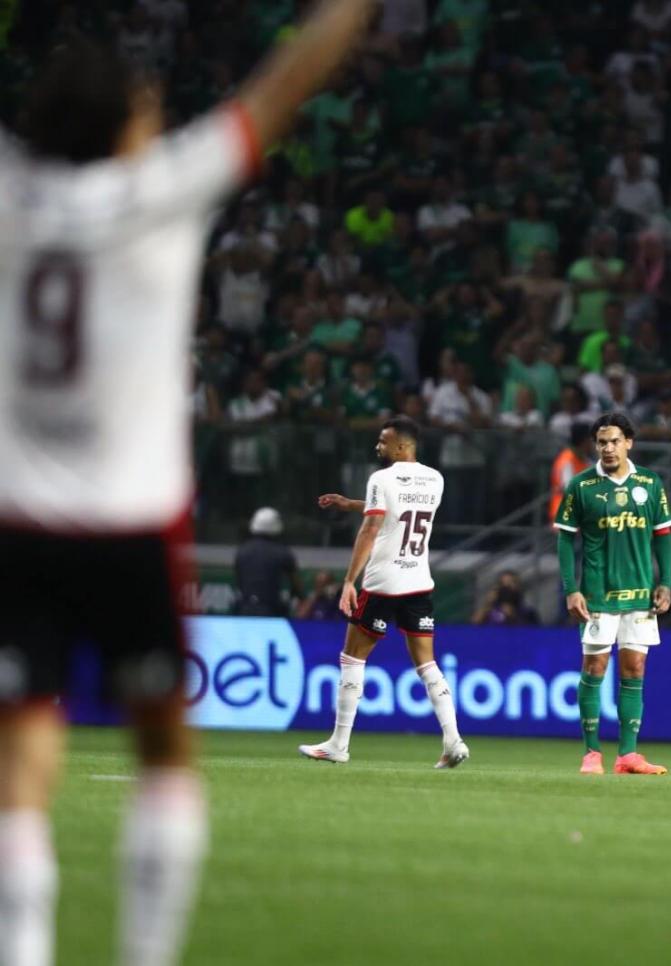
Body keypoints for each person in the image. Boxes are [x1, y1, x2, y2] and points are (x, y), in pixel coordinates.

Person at [0, 4, 377, 965]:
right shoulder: (161, 190)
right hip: (129, 523)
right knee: (165, 757)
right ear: (127, 126)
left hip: (21, 523)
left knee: (19, 763)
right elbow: (284, 83)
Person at [299, 416, 469, 769]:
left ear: (402, 446)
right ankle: (453, 740)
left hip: (382, 583)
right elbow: (400, 511)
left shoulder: (382, 478)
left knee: (352, 658)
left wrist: (349, 580)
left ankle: (339, 744)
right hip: (418, 580)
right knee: (427, 664)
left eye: (383, 441)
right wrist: (350, 503)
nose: (377, 446)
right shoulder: (435, 479)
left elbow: (373, 527)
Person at [553, 413, 671, 776]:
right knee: (595, 667)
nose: (607, 448)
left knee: (634, 668)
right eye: (602, 442)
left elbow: (663, 536)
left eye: (614, 441)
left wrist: (665, 581)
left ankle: (628, 755)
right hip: (598, 595)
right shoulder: (582, 485)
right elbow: (564, 538)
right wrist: (571, 589)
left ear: (629, 443)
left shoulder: (649, 483)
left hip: (640, 594)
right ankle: (592, 753)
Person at [233, 507, 302, 617]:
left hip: (244, 610)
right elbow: (297, 586)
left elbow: (239, 582)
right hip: (271, 612)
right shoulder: (282, 552)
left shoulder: (242, 551)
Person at [549, 422, 593, 522]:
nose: (593, 444)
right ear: (584, 441)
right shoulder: (566, 460)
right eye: (590, 440)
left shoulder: (586, 461)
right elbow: (569, 489)